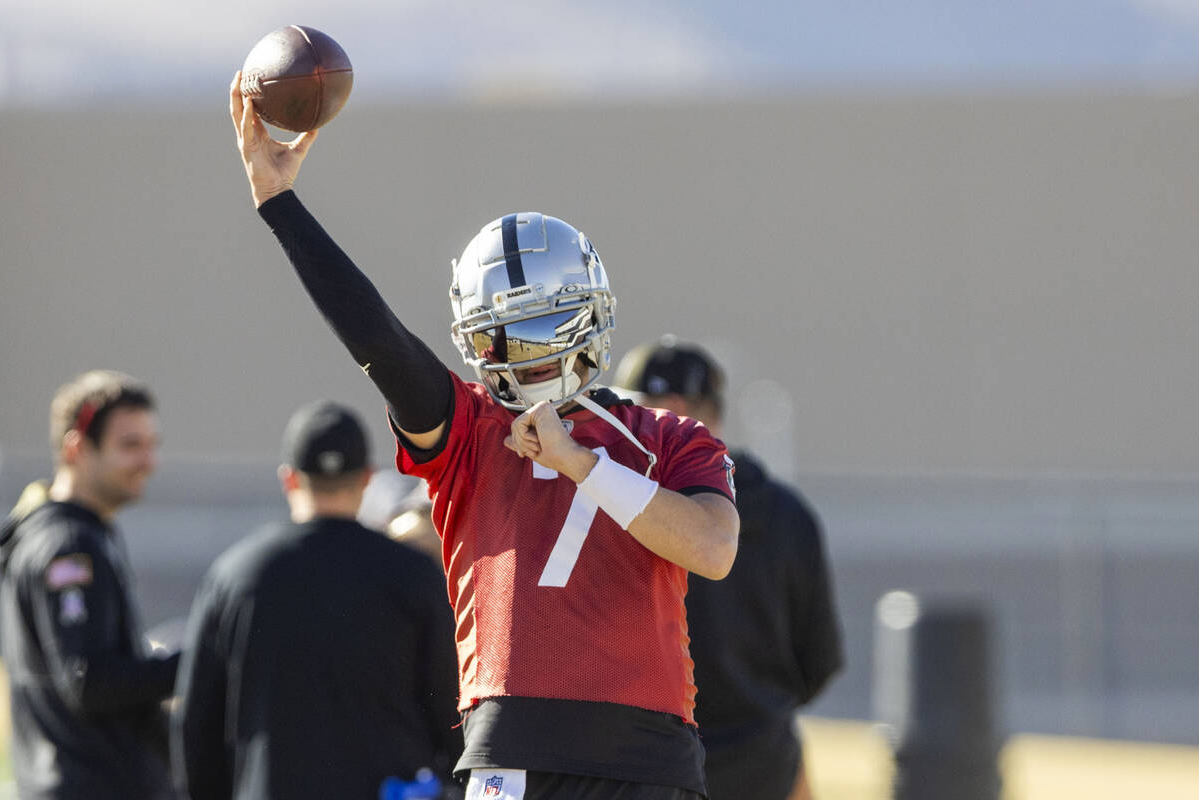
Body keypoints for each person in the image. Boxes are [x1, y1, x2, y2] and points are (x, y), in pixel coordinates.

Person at [228, 74, 740, 800]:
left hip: (645, 754)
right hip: (512, 741)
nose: (527, 355)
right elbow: (379, 340)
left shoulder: (667, 437)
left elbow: (713, 550)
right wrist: (281, 207)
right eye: (506, 338)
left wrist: (582, 464)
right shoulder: (470, 429)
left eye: (543, 329)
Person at [170, 400, 462, 800]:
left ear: (289, 479)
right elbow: (451, 707)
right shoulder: (414, 574)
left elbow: (197, 721)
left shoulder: (235, 575)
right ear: (366, 478)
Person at [613, 337, 844, 800]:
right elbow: (820, 660)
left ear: (673, 412)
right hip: (763, 763)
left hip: (647, 765)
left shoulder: (614, 509)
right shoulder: (786, 511)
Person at [0, 369, 179, 799]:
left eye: (152, 445)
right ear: (77, 448)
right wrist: (199, 662)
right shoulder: (69, 544)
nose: (148, 461)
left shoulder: (70, 532)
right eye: (130, 445)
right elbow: (88, 680)